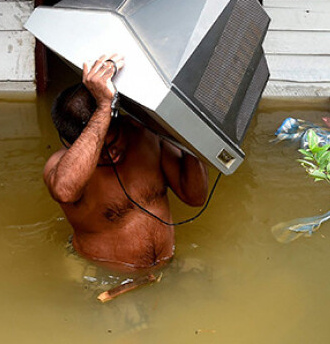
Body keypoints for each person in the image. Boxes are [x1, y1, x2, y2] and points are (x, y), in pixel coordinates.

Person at [44, 54, 209, 272]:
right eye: (100, 149)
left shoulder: (145, 135)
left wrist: (187, 137)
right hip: (102, 277)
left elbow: (195, 197)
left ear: (119, 122)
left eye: (114, 141)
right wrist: (104, 108)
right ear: (73, 144)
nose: (111, 154)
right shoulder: (60, 167)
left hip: (165, 268)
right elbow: (64, 191)